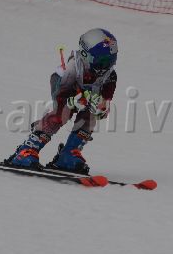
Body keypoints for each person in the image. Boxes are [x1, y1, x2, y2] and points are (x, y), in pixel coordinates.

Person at [6, 28, 118, 173]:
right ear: (86, 55)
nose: (105, 67)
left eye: (111, 60)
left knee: (90, 116)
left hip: (85, 96)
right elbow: (61, 95)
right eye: (101, 61)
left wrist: (101, 109)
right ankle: (27, 149)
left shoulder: (110, 75)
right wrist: (72, 101)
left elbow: (106, 101)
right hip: (63, 86)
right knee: (62, 114)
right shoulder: (73, 68)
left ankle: (69, 154)